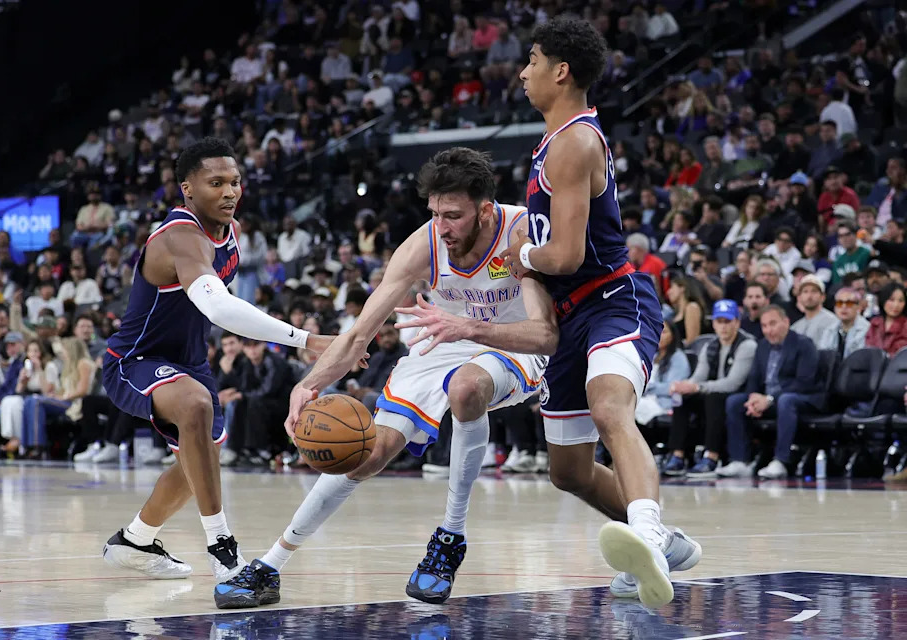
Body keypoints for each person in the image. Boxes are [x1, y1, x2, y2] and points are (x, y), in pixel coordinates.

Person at [214, 148, 556, 609]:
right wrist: (308, 384)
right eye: (435, 213)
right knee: (364, 454)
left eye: (454, 215)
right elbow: (359, 333)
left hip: (514, 343)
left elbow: (546, 335)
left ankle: (450, 538)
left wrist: (469, 328)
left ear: (486, 210)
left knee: (465, 387)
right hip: (442, 340)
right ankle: (273, 564)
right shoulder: (423, 245)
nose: (443, 226)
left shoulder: (521, 234)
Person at [501, 16, 700, 609]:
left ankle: (645, 535)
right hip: (569, 319)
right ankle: (664, 541)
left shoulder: (575, 142)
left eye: (532, 60)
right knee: (568, 471)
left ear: (561, 71)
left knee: (610, 406)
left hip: (614, 301)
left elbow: (563, 254)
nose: (522, 70)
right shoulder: (552, 141)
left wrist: (521, 253)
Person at [100, 138, 337, 585]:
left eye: (235, 181)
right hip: (134, 360)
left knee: (198, 464)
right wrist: (306, 339)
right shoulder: (179, 237)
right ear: (188, 189)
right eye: (216, 183)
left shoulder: (232, 232)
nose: (230, 191)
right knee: (194, 406)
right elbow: (222, 309)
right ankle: (223, 549)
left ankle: (135, 539)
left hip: (190, 362)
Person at [719, 305, 821, 479]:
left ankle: (780, 461)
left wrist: (769, 399)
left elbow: (804, 382)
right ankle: (739, 460)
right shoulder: (763, 345)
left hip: (803, 398)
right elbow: (754, 378)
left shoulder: (804, 344)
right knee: (734, 402)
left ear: (786, 322)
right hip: (770, 399)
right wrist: (753, 399)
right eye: (764, 325)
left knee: (786, 401)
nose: (768, 330)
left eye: (772, 324)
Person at [663, 300, 757, 477]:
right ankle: (677, 455)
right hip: (713, 393)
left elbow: (733, 383)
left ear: (737, 322)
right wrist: (683, 386)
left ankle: (711, 456)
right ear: (713, 323)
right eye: (719, 321)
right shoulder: (710, 345)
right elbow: (698, 376)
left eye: (727, 321)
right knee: (682, 398)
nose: (723, 327)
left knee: (713, 397)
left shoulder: (747, 345)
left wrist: (697, 386)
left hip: (739, 395)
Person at [790, 275, 840, 351]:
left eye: (814, 291)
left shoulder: (832, 321)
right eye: (805, 291)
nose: (809, 296)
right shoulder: (795, 327)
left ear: (823, 297)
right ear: (799, 298)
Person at [865, 282, 907, 356]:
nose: (896, 305)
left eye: (901, 301)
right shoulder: (875, 323)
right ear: (883, 300)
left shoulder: (905, 325)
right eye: (891, 300)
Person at [833, 287, 870, 358]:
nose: (844, 307)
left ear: (858, 307)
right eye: (839, 303)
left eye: (849, 303)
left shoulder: (867, 329)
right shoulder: (830, 328)